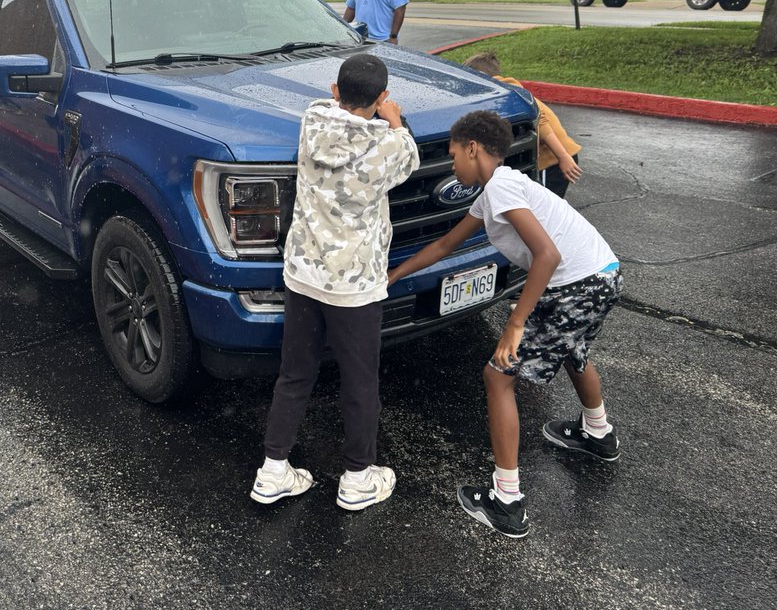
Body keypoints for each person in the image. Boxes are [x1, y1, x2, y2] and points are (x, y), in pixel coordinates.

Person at [388, 110, 623, 538]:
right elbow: (444, 245)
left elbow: (546, 255)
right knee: (572, 349)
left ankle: (506, 501)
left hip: (576, 283)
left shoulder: (503, 186)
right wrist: (393, 276)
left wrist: (516, 323)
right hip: (602, 273)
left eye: (454, 153)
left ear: (473, 148)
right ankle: (598, 433)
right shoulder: (496, 190)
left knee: (497, 377)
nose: (453, 162)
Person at [251, 53, 420, 511]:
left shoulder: (311, 121)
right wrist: (394, 118)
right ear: (382, 98)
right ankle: (358, 477)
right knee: (360, 381)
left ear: (333, 90)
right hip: (355, 287)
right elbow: (408, 155)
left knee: (294, 373)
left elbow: (329, 110)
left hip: (304, 276)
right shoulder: (390, 146)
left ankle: (272, 471)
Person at [463, 50, 582, 197]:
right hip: (553, 156)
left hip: (553, 158)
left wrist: (562, 157)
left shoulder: (506, 91)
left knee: (542, 207)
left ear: (480, 77)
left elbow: (541, 120)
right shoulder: (503, 91)